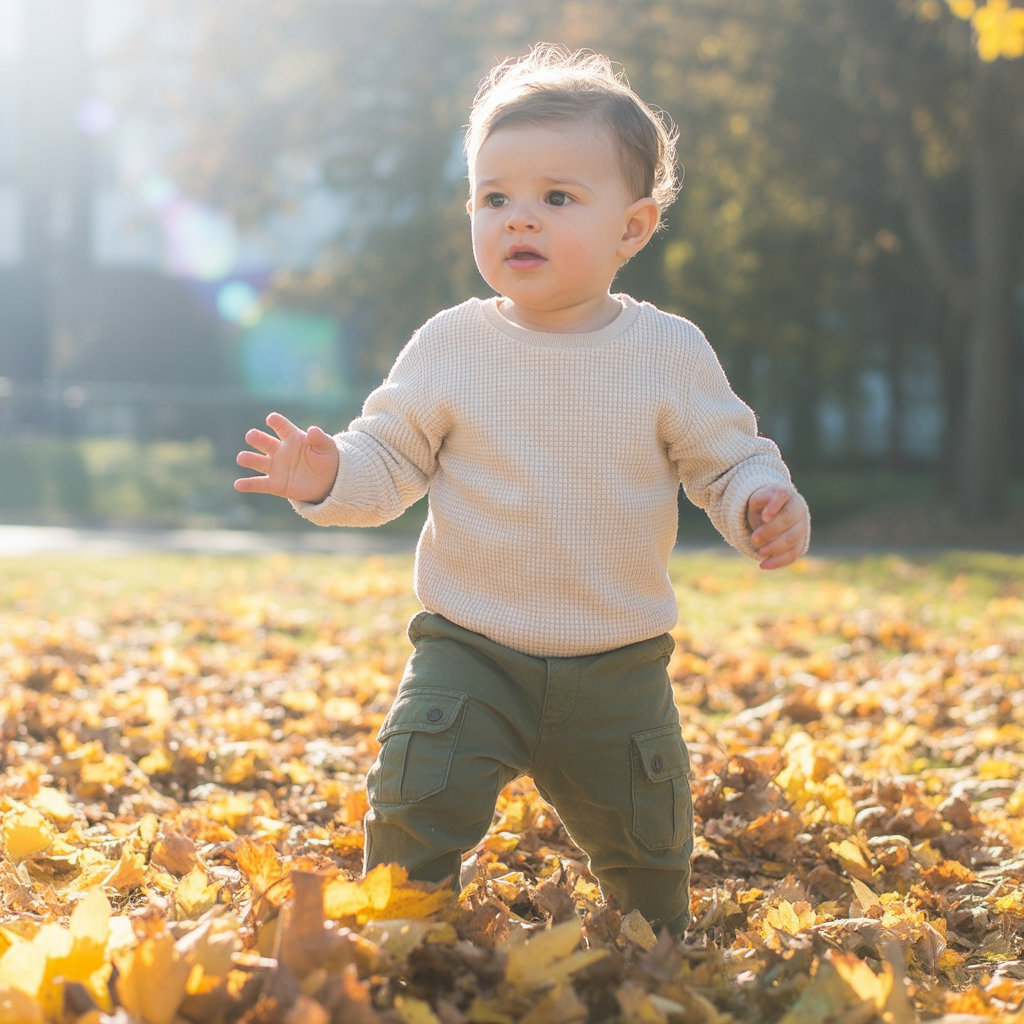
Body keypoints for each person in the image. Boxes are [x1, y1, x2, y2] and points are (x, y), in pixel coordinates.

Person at [235, 44, 810, 935]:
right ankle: (403, 936)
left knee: (649, 853)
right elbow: (388, 459)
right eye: (494, 197)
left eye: (556, 197)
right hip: (470, 651)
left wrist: (759, 504)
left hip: (617, 666)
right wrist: (330, 473)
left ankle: (652, 950)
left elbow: (726, 459)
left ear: (633, 227)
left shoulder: (666, 352)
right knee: (412, 801)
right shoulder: (451, 346)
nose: (519, 219)